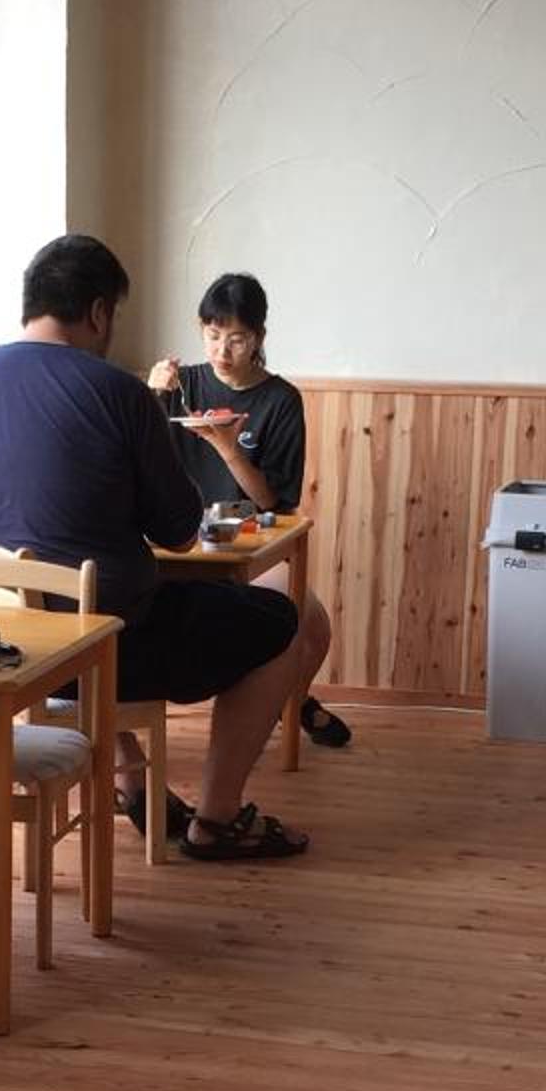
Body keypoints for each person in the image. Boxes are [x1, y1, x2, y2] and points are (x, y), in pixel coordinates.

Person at [0, 233, 331, 863]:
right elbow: (179, 532)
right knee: (282, 620)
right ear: (99, 312)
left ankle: (133, 780)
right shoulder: (117, 391)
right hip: (93, 648)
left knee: (94, 619)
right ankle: (217, 819)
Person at [147, 270, 348, 749]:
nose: (222, 351)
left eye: (236, 339)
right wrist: (151, 395)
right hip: (178, 541)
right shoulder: (180, 385)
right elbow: (140, 459)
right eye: (213, 335)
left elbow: (271, 501)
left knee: (313, 628)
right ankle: (290, 703)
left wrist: (227, 447)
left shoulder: (280, 400)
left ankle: (288, 702)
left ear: (258, 337)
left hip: (250, 539)